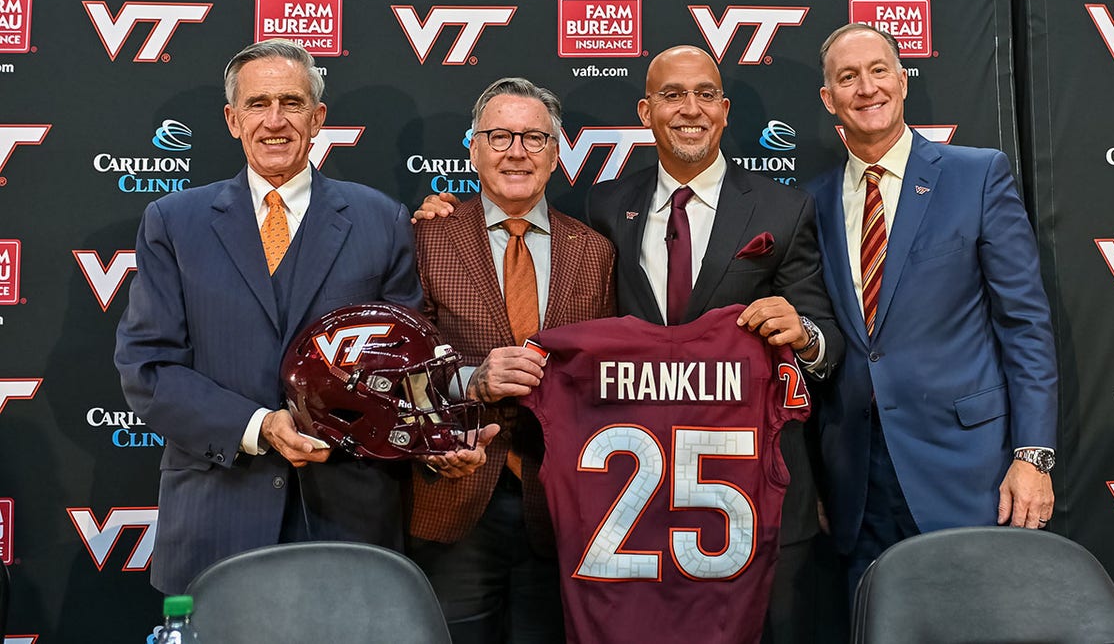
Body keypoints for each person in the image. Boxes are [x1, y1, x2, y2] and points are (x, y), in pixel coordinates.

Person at [415, 45, 844, 644]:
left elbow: (825, 340)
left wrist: (806, 335)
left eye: (703, 95)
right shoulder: (605, 208)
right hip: (615, 494)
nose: (689, 109)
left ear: (724, 110)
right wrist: (444, 213)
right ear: (645, 110)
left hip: (736, 488)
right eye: (671, 95)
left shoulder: (785, 207)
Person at [113, 39, 491, 595]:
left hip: (349, 518)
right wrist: (259, 427)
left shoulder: (380, 219)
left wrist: (438, 444)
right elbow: (149, 366)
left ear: (317, 119)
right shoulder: (174, 221)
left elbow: (406, 370)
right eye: (257, 104)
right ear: (231, 119)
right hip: (219, 515)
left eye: (291, 103)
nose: (274, 121)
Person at [807, 23, 1058, 594]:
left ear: (902, 80)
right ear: (830, 100)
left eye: (878, 71)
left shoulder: (977, 175)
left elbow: (1025, 326)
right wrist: (819, 481)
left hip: (970, 472)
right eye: (848, 78)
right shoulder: (813, 201)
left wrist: (1034, 457)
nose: (866, 88)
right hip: (857, 483)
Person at [408, 77, 616, 643]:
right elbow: (394, 367)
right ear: (472, 149)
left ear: (556, 152)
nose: (516, 151)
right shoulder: (425, 238)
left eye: (533, 137)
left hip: (562, 506)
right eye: (498, 136)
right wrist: (471, 380)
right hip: (454, 498)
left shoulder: (594, 251)